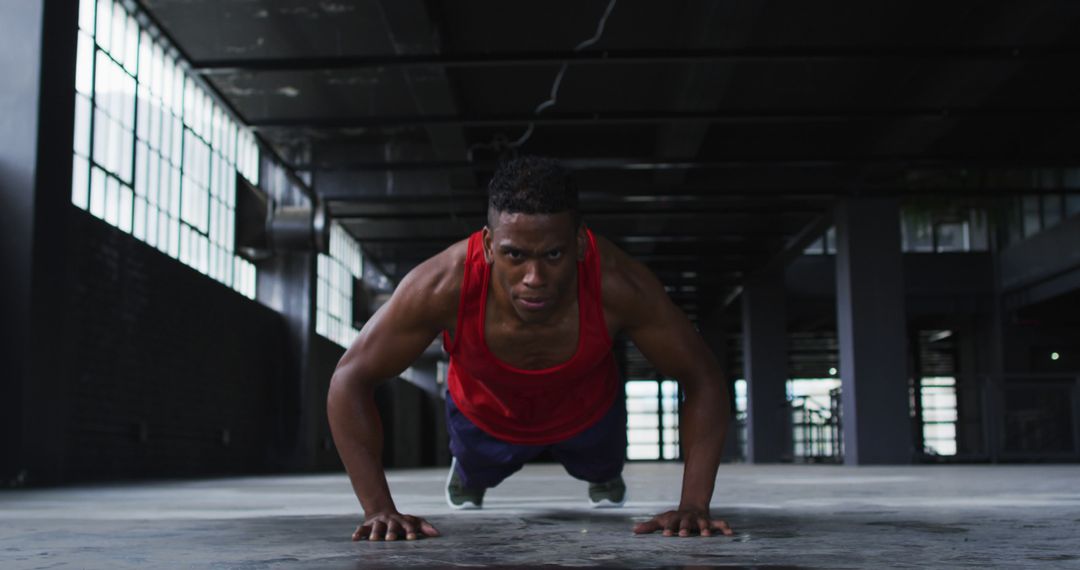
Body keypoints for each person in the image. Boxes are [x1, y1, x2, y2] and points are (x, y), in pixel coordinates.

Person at [327, 156, 733, 542]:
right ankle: (467, 472)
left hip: (587, 419)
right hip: (484, 421)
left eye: (553, 254)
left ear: (578, 244)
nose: (534, 277)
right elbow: (350, 378)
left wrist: (694, 504)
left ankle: (604, 474)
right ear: (488, 246)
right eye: (514, 255)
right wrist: (377, 509)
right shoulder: (442, 284)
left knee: (604, 469)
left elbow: (702, 377)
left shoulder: (620, 284)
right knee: (473, 476)